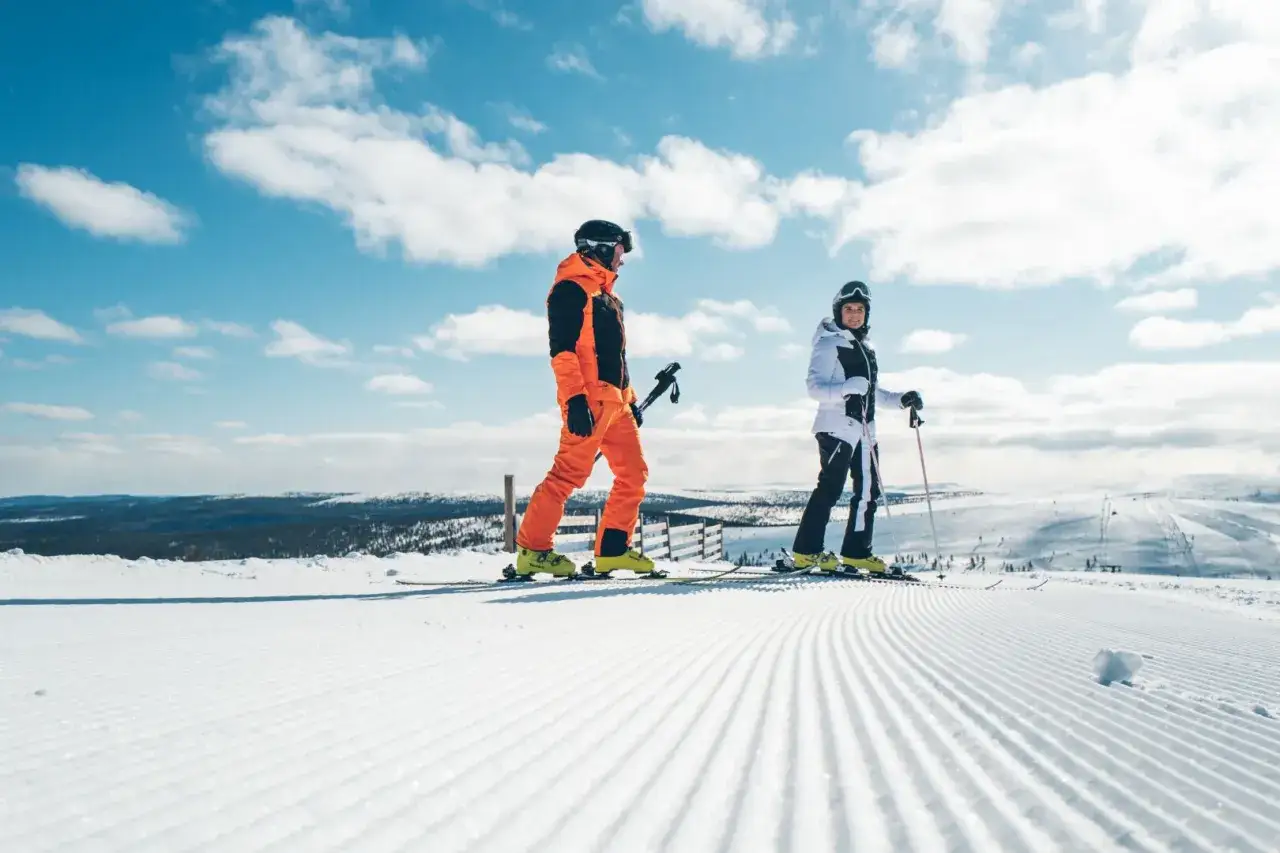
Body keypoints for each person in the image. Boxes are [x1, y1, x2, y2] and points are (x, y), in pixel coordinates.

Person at [514, 220, 656, 578]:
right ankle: (533, 550)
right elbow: (562, 352)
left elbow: (616, 357)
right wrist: (574, 399)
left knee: (634, 474)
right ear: (601, 249)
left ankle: (612, 550)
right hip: (589, 402)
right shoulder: (570, 290)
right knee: (567, 475)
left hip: (617, 403)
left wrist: (631, 399)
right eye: (619, 253)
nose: (621, 261)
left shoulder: (609, 297)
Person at [790, 280, 923, 575]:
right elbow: (814, 388)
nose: (854, 314)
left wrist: (902, 400)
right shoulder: (829, 343)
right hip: (836, 427)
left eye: (859, 309)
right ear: (839, 312)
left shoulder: (864, 347)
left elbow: (870, 392)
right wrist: (846, 388)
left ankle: (856, 552)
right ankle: (806, 552)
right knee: (830, 488)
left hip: (865, 430)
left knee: (867, 493)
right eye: (849, 309)